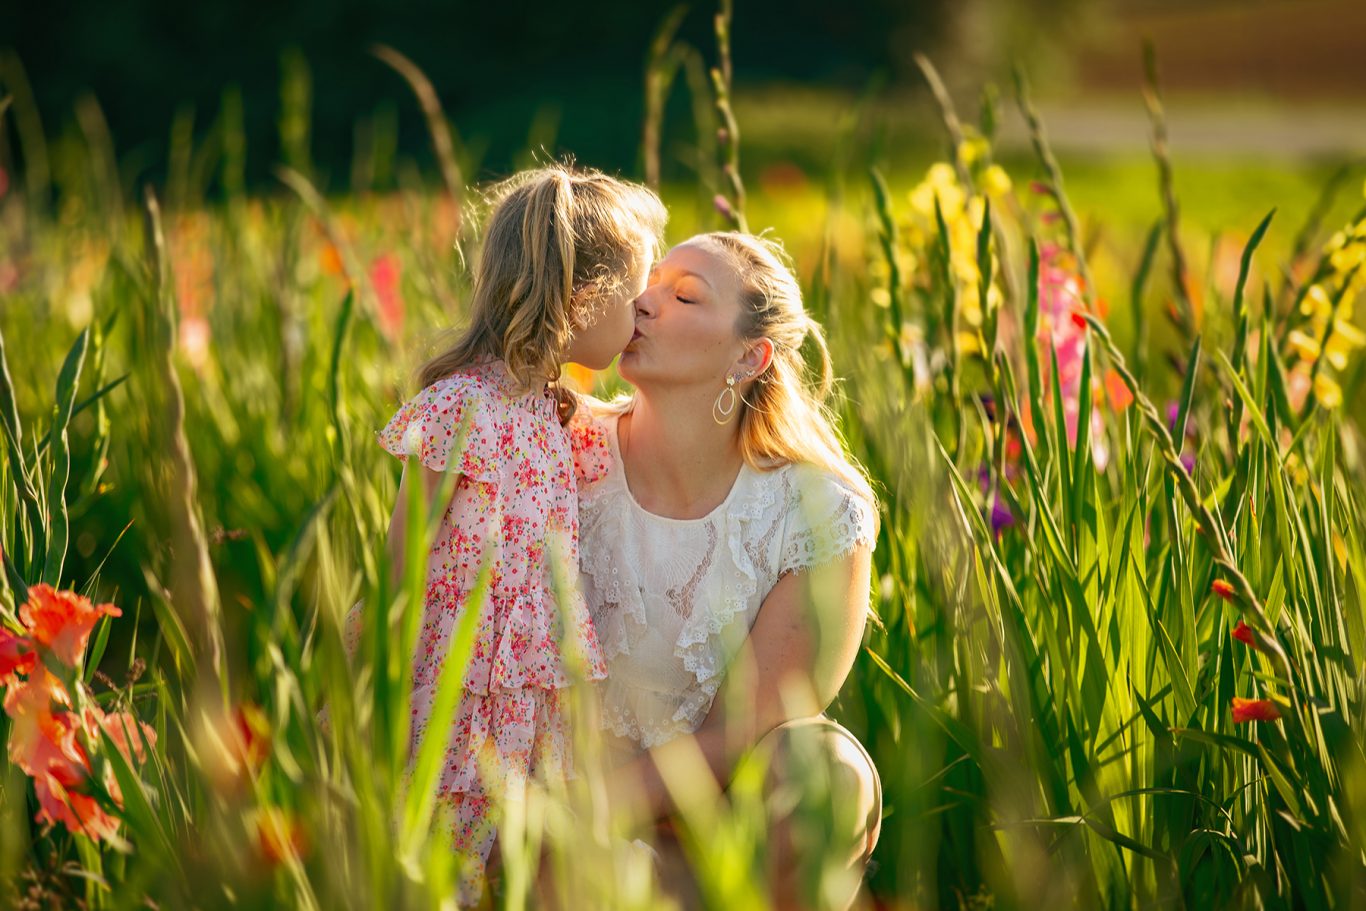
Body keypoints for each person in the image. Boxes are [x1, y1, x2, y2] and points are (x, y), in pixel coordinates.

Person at [350, 162, 666, 903]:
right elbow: (403, 553)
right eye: (638, 290)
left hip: (529, 694)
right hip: (456, 685)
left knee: (514, 864)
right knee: (438, 858)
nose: (646, 305)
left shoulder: (555, 412)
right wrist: (362, 666)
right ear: (583, 298)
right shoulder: (462, 407)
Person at [573, 231, 881, 908]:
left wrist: (611, 799)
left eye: (683, 295)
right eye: (649, 284)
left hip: (721, 832)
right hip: (559, 806)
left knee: (825, 770)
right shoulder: (560, 448)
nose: (643, 302)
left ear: (750, 356)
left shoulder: (817, 511)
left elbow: (758, 721)